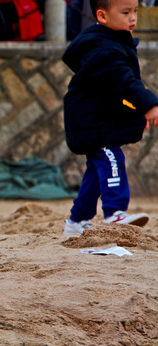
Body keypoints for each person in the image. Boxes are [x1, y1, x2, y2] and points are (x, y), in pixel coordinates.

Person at [62, 0, 158, 235]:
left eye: (135, 11)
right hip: (92, 122)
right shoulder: (104, 50)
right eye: (126, 12)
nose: (133, 17)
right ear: (102, 16)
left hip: (96, 119)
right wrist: (149, 105)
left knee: (96, 171)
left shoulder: (109, 42)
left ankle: (76, 221)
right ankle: (115, 212)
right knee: (112, 158)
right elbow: (124, 81)